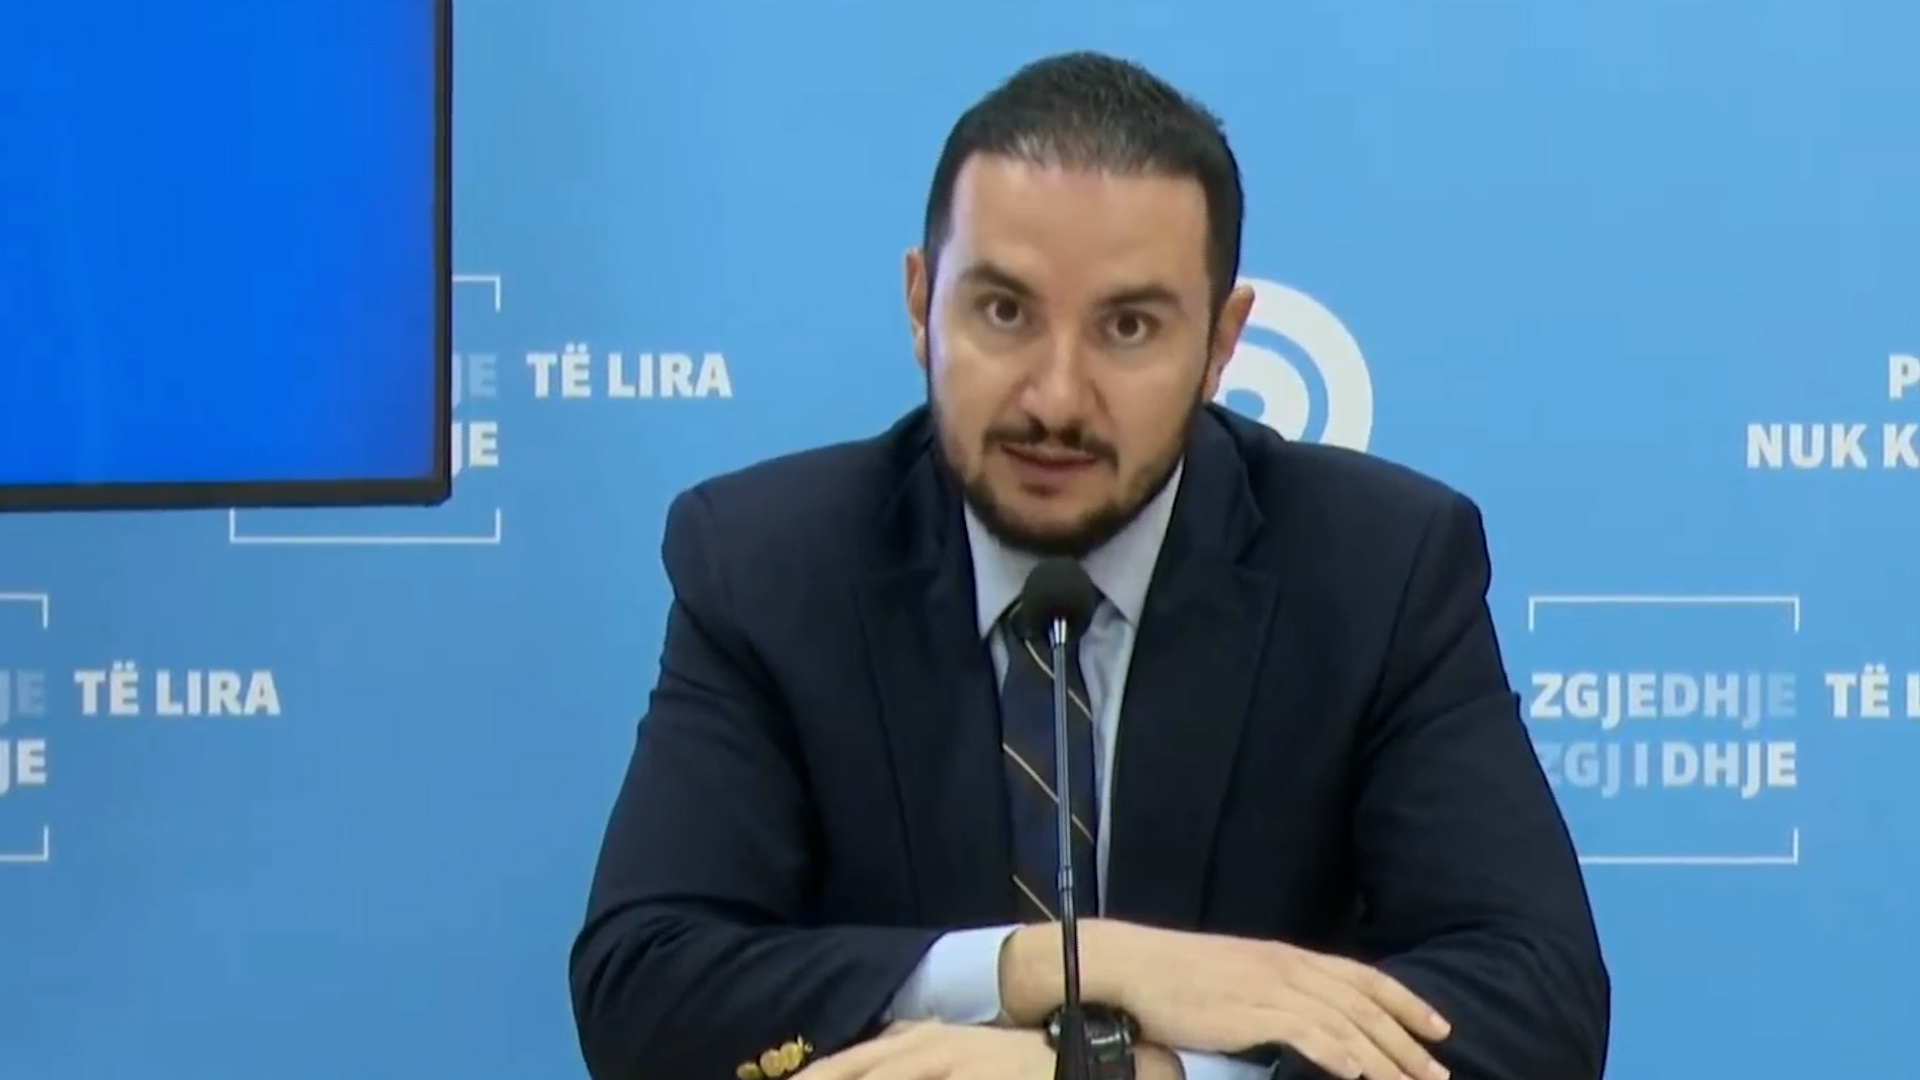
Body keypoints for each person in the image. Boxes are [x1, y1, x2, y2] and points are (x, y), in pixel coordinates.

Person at [569, 50, 1610, 1080]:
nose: (1056, 398)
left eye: (1128, 327)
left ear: (1222, 345)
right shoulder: (768, 566)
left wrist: (1130, 1075)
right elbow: (646, 992)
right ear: (921, 304)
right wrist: (1054, 968)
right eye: (1004, 312)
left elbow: (1534, 1008)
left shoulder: (1379, 573)